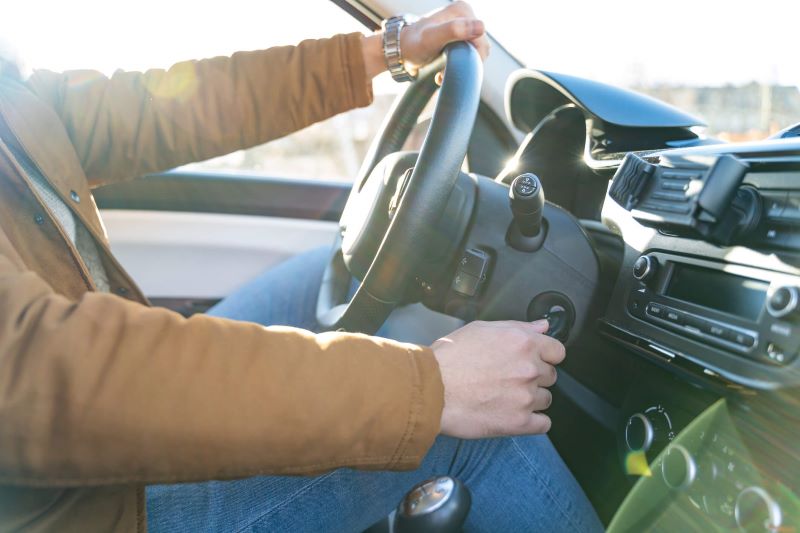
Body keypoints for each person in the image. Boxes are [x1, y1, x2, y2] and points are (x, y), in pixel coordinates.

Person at [0, 2, 602, 531]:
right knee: (473, 429)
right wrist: (429, 389)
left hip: (81, 453)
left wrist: (378, 52)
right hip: (86, 511)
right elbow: (44, 376)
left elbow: (155, 108)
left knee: (324, 271)